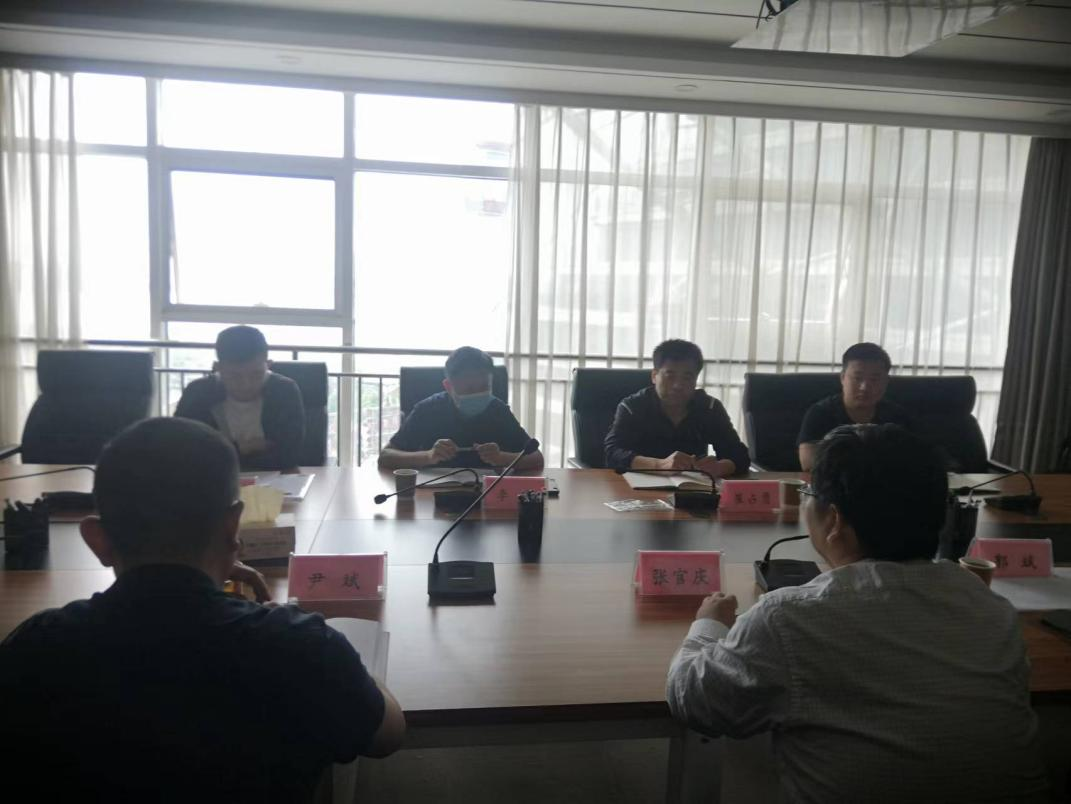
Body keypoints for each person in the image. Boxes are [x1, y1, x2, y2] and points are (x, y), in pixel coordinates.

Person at [0, 418, 405, 801]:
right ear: (233, 527)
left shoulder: (37, 648)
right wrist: (327, 645)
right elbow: (387, 735)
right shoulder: (298, 646)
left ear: (97, 539)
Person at [666, 424, 1048, 803]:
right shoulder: (992, 608)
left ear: (834, 520)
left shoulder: (790, 619)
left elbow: (693, 699)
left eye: (809, 494)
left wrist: (709, 623)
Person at [378, 346, 544, 471]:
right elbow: (385, 456)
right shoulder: (428, 409)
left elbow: (536, 458)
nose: (477, 394)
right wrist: (428, 456)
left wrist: (502, 458)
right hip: (431, 495)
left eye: (484, 387)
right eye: (469, 389)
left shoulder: (497, 410)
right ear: (448, 386)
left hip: (487, 494)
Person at [604, 339, 748, 476]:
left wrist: (720, 467)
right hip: (638, 486)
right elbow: (612, 453)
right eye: (670, 376)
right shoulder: (633, 407)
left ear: (696, 380)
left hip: (693, 486)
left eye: (687, 377)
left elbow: (740, 455)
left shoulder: (709, 408)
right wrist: (659, 465)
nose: (678, 385)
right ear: (654, 376)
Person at [175, 325, 305, 472]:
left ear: (268, 365)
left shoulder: (284, 391)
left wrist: (226, 451)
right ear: (218, 368)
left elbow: (288, 456)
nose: (246, 384)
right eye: (234, 376)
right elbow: (187, 452)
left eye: (256, 374)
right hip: (212, 477)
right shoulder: (198, 393)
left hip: (275, 478)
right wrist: (246, 447)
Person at [797, 342, 912, 471]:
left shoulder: (897, 416)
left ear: (886, 382)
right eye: (857, 378)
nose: (864, 387)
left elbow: (912, 460)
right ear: (842, 378)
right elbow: (808, 462)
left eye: (874, 379)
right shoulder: (821, 412)